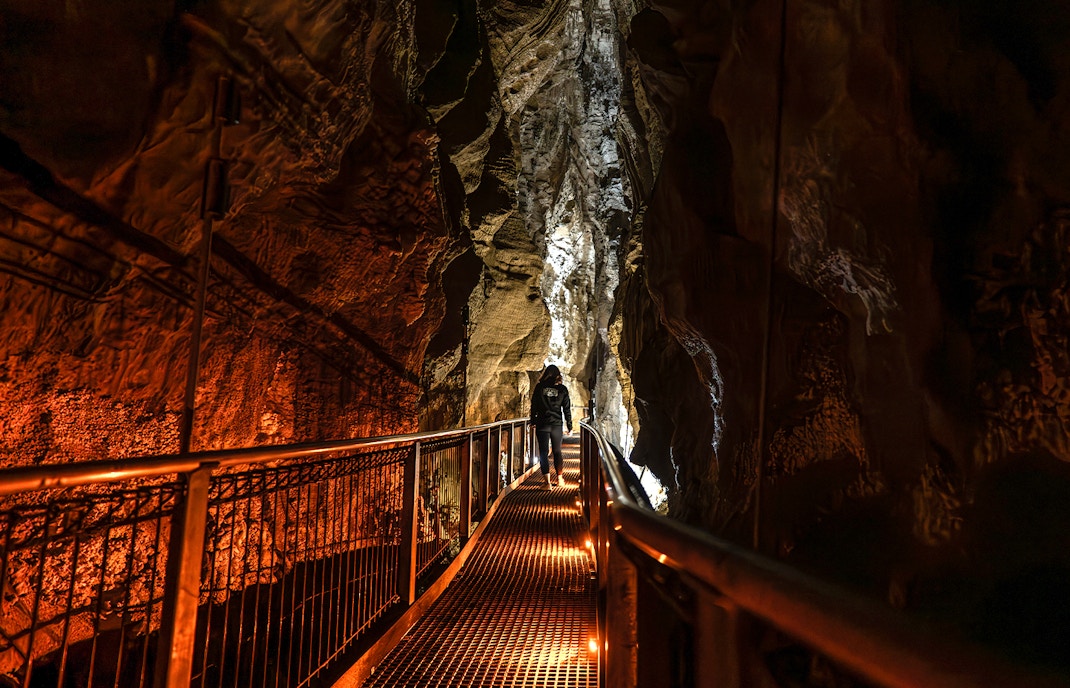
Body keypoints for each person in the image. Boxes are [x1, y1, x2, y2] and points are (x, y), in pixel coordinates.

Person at [530, 364, 572, 489]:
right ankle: (560, 479)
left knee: (543, 452)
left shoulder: (539, 387)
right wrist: (569, 426)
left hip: (542, 423)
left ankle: (547, 482)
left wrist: (533, 421)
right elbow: (567, 409)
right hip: (556, 424)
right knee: (557, 451)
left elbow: (534, 405)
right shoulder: (563, 389)